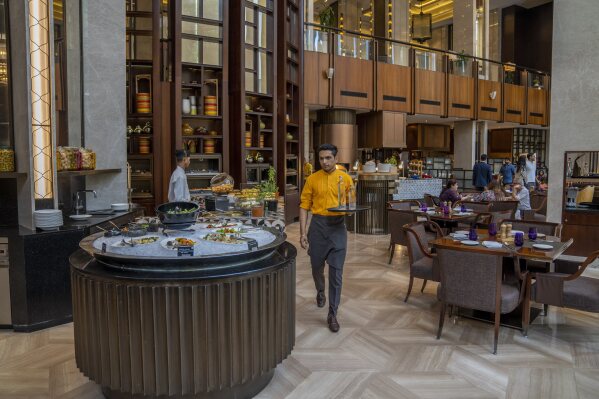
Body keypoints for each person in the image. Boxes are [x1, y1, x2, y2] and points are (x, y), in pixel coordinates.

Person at [299, 143, 354, 333]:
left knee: (336, 273)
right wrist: (302, 233)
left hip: (338, 228)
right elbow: (304, 206)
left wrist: (350, 210)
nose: (324, 161)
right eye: (321, 158)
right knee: (316, 268)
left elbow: (351, 203)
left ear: (336, 158)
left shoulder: (345, 179)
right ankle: (320, 291)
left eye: (328, 158)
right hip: (318, 227)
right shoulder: (312, 179)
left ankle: (333, 313)